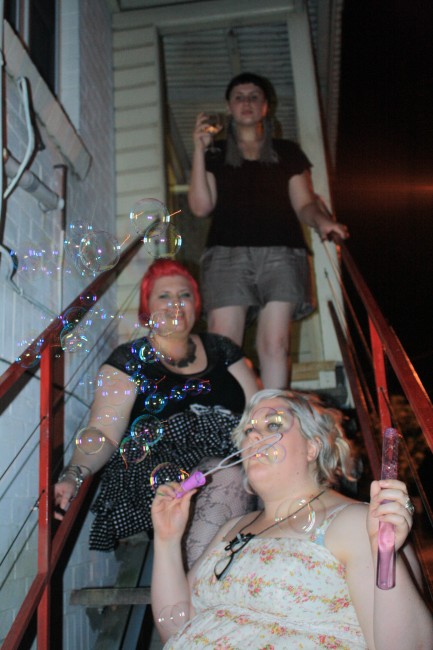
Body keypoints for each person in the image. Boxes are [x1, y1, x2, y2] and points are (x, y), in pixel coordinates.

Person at [151, 389, 433, 649]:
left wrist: (386, 553)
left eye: (273, 425)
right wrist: (167, 539)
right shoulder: (232, 527)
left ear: (313, 447)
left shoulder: (355, 523)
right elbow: (174, 628)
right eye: (249, 430)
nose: (253, 436)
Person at [54, 259, 259, 562]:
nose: (176, 303)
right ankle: (200, 592)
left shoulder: (223, 349)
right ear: (146, 308)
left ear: (196, 304)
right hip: (162, 477)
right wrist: (74, 474)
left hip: (237, 465)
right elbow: (104, 434)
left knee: (237, 473)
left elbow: (260, 411)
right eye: (164, 296)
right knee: (223, 476)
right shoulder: (129, 360)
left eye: (184, 295)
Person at [188, 72, 350, 389]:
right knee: (223, 347)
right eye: (239, 96)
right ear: (229, 106)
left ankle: (273, 422)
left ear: (265, 106)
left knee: (275, 345)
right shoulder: (215, 153)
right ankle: (227, 421)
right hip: (226, 254)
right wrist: (198, 149)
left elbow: (305, 203)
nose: (246, 102)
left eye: (254, 96)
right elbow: (200, 207)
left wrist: (323, 221)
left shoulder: (288, 152)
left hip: (283, 252)